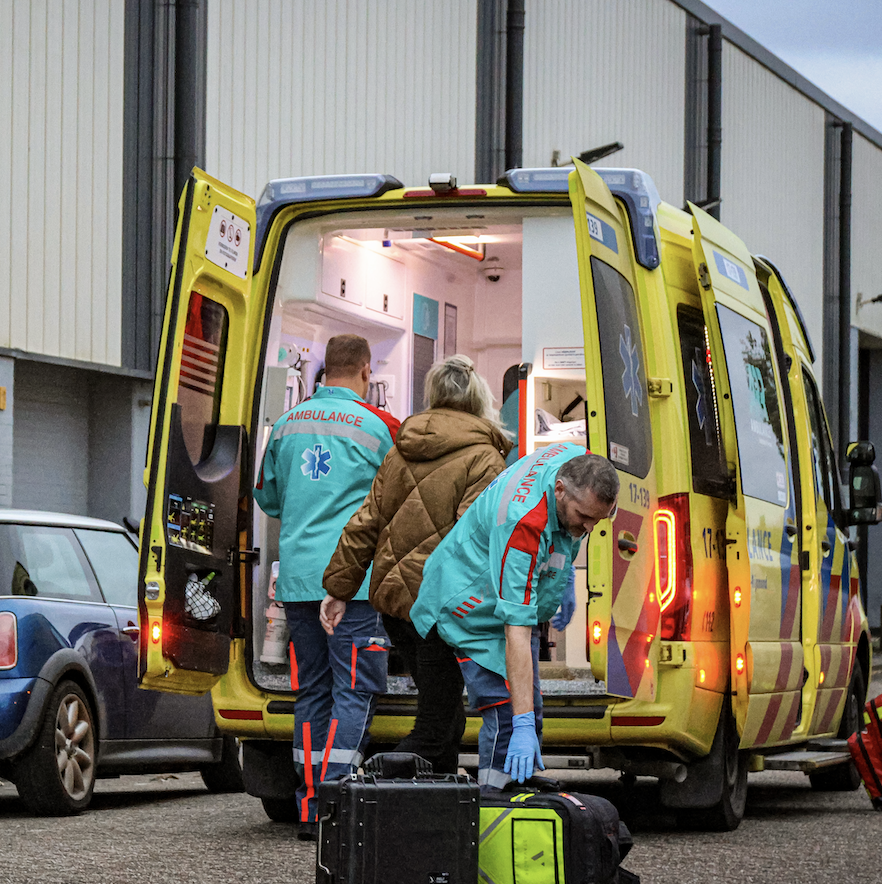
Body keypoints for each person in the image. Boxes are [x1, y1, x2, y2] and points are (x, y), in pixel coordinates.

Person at [320, 355, 512, 775]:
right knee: (435, 722)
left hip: (394, 605)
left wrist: (339, 588)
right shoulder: (485, 458)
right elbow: (475, 542)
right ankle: (366, 785)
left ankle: (435, 809)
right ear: (481, 397)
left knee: (443, 710)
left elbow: (366, 520)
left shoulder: (399, 450)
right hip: (443, 608)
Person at [253, 334, 401, 838]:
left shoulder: (286, 425)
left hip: (297, 582)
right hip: (352, 583)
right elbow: (401, 500)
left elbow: (269, 500)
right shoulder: (380, 426)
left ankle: (312, 802)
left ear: (322, 371)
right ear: (365, 370)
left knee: (311, 689)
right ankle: (338, 801)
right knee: (354, 688)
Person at [407, 444, 618, 790]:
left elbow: (563, 531)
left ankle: (514, 800)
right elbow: (516, 632)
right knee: (509, 716)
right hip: (469, 607)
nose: (590, 527)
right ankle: (495, 810)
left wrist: (561, 578)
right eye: (584, 517)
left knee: (528, 714)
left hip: (494, 598)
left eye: (599, 518)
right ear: (560, 490)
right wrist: (521, 724)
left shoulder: (577, 462)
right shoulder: (524, 522)